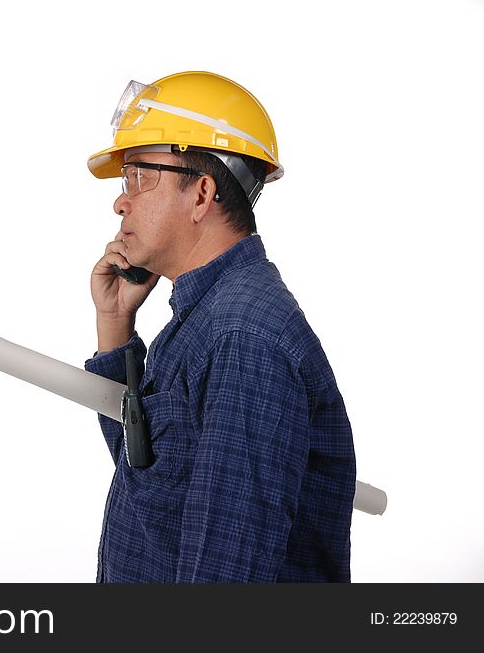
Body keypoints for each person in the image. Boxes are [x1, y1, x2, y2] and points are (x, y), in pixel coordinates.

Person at [83, 71, 356, 582]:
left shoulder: (243, 338)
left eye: (140, 176)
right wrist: (115, 322)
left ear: (202, 193)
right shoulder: (205, 319)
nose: (121, 201)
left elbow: (227, 576)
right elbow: (149, 475)